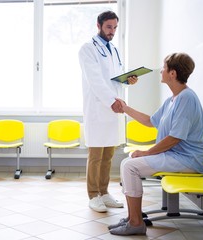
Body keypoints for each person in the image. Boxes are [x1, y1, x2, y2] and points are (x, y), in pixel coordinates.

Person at [109, 52, 203, 235]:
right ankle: (134, 216)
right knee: (127, 163)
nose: (161, 71)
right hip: (177, 156)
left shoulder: (186, 98)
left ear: (172, 73)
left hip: (190, 159)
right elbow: (150, 121)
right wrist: (125, 108)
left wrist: (147, 153)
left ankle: (135, 222)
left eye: (164, 67)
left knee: (130, 167)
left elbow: (175, 138)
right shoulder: (173, 99)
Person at [78, 11, 137, 213]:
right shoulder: (88, 49)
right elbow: (95, 80)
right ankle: (93, 195)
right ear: (99, 25)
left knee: (108, 154)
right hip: (98, 108)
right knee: (96, 154)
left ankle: (104, 192)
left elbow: (114, 78)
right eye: (108, 27)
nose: (112, 31)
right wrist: (111, 100)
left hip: (113, 108)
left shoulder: (114, 50)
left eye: (114, 28)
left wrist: (127, 80)